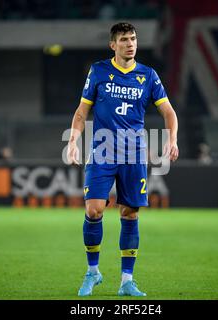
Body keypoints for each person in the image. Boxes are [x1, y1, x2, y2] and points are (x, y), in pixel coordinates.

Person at [67, 22, 179, 297]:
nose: (130, 44)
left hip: (133, 153)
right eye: (124, 40)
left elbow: (169, 113)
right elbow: (82, 112)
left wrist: (172, 139)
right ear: (112, 45)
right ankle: (93, 272)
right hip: (103, 150)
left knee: (129, 213)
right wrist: (72, 141)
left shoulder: (148, 76)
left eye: (133, 39)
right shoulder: (99, 71)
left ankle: (127, 281)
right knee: (94, 210)